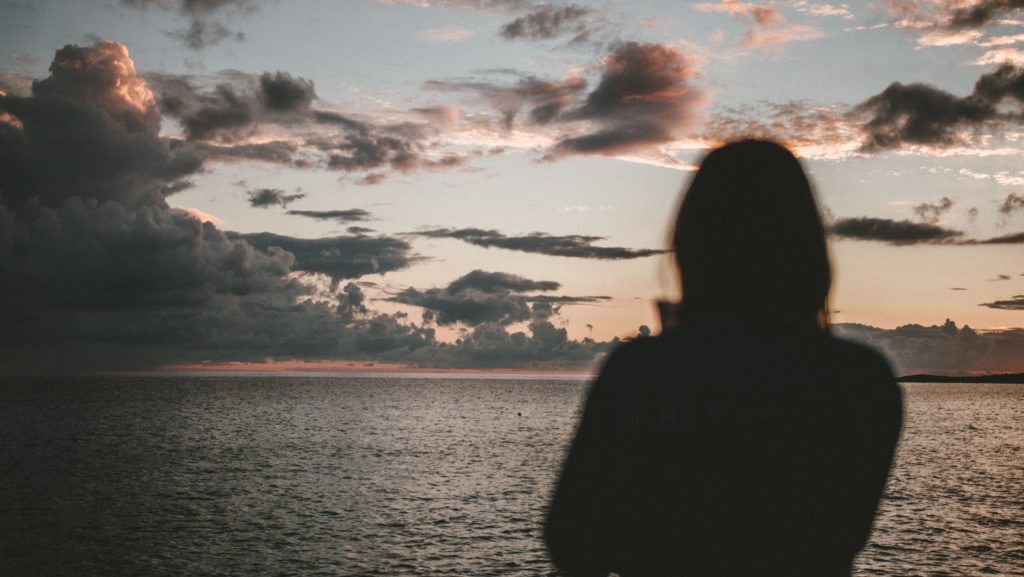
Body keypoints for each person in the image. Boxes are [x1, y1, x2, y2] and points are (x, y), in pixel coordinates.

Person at [545, 140, 903, 577]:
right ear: (805, 243)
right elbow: (841, 533)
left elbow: (572, 542)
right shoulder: (859, 381)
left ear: (692, 242)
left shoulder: (642, 374)